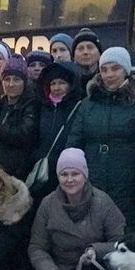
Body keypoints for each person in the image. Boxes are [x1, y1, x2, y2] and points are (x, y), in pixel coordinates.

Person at [28, 148, 125, 270]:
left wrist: (96, 249)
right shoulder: (47, 204)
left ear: (85, 175)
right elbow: (37, 246)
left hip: (95, 267)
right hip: (62, 268)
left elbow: (120, 241)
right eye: (64, 174)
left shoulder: (103, 202)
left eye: (75, 173)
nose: (69, 179)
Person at [65, 46, 135, 234]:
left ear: (126, 70)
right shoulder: (88, 104)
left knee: (124, 244)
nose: (109, 74)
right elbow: (74, 143)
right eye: (104, 69)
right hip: (93, 184)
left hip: (129, 186)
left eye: (115, 68)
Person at [32, 61, 83, 202]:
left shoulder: (78, 107)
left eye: (61, 83)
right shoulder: (42, 106)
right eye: (53, 83)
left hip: (67, 170)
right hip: (43, 168)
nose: (56, 87)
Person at [0, 57, 40, 179]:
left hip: (19, 173)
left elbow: (24, 135)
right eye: (7, 79)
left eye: (16, 80)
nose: (11, 84)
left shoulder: (32, 104)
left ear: (24, 81)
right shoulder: (0, 104)